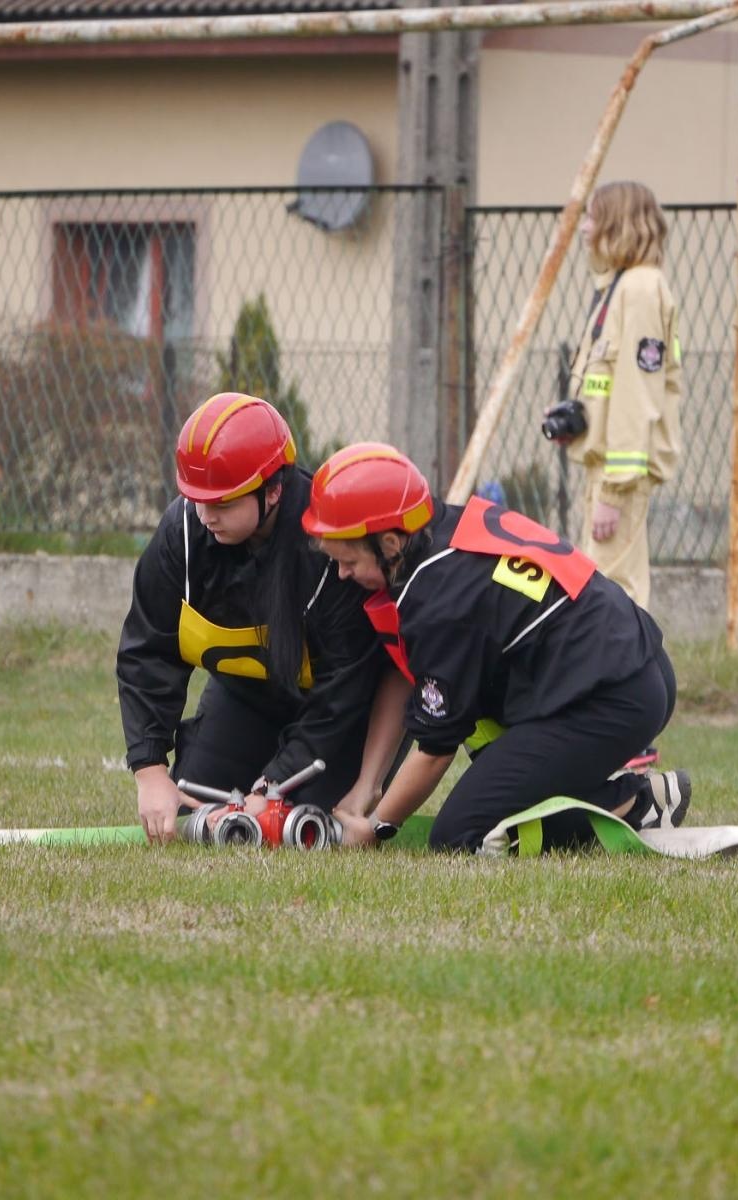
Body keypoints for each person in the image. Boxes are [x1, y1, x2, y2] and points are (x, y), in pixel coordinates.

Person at [301, 442, 691, 854]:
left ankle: (634, 802)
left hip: (612, 698)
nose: (342, 574)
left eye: (349, 562)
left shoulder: (437, 600)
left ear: (391, 543)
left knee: (458, 834)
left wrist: (378, 827)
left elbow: (435, 749)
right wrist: (367, 788)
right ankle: (608, 792)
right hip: (630, 669)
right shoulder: (441, 532)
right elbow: (407, 669)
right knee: (493, 773)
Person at [117, 393, 391, 844]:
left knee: (295, 830)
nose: (205, 516)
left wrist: (274, 784)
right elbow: (148, 651)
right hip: (248, 697)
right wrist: (149, 771)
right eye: (195, 500)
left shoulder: (328, 548)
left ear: (273, 490)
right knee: (198, 812)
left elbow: (346, 686)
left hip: (342, 712)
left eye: (221, 504)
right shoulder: (183, 535)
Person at [552, 180, 682, 610]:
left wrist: (614, 493)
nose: (585, 229)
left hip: (617, 479)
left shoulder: (640, 290)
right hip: (604, 470)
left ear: (616, 225)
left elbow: (637, 396)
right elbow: (608, 387)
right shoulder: (621, 286)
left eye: (593, 218)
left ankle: (622, 679)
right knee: (601, 592)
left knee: (613, 597)